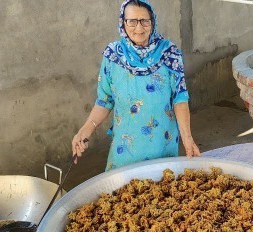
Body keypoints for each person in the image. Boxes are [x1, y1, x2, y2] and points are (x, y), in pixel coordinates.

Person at [72, 0, 200, 170]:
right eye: (132, 21)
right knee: (122, 192)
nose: (139, 28)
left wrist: (187, 137)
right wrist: (86, 130)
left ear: (152, 22)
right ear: (123, 22)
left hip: (162, 144)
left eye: (144, 21)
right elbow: (105, 100)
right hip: (125, 148)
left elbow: (180, 98)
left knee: (163, 190)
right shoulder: (112, 56)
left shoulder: (169, 53)